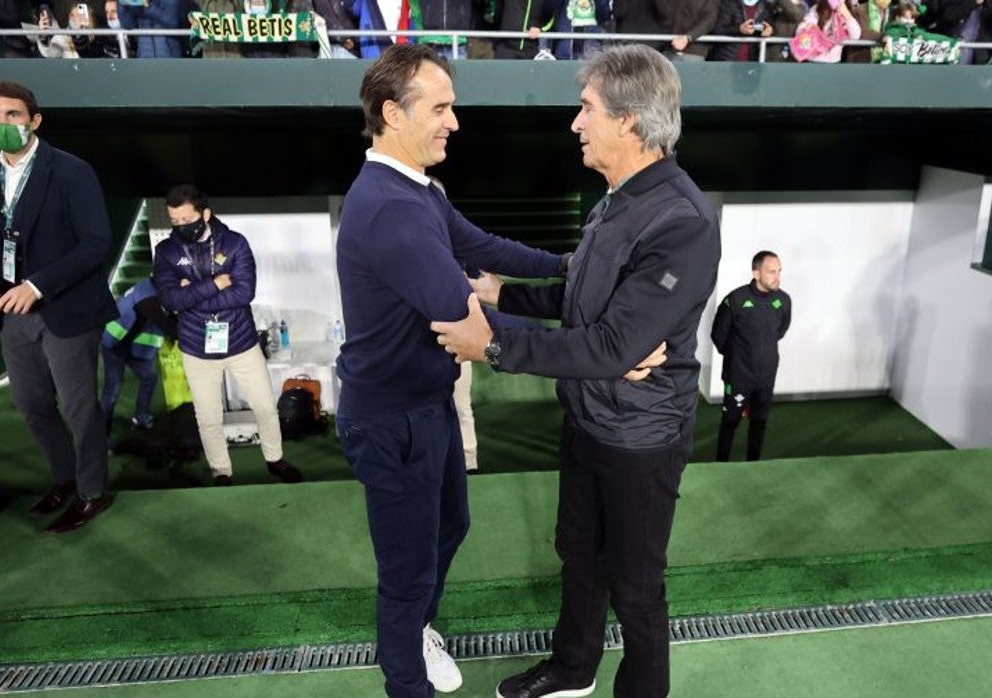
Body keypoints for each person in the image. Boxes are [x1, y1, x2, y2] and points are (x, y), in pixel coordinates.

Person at [430, 44, 721, 698]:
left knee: (636, 587)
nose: (575, 122)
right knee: (578, 558)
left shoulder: (682, 221)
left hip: (642, 440)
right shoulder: (617, 199)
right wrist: (504, 295)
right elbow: (583, 297)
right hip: (591, 419)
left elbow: (612, 342)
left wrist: (495, 347)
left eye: (586, 108)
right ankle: (572, 669)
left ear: (630, 122)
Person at [334, 44, 567, 698]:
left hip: (426, 402)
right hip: (391, 420)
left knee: (452, 526)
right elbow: (470, 322)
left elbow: (482, 247)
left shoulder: (419, 188)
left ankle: (416, 632)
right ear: (392, 113)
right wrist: (591, 348)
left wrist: (565, 266)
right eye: (440, 108)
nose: (453, 122)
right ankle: (407, 681)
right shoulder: (391, 211)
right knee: (405, 575)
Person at [0, 80, 118, 534]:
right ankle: (64, 478)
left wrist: (37, 285)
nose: (2, 123)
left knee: (79, 408)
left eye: (12, 115)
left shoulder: (72, 171)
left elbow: (96, 243)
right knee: (31, 404)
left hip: (66, 311)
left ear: (34, 120)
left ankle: (93, 491)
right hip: (14, 313)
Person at [151, 185, 303, 487]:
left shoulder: (234, 244)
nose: (180, 226)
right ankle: (221, 471)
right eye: (174, 221)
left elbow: (244, 293)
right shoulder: (166, 251)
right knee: (208, 418)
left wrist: (191, 294)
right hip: (196, 347)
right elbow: (169, 300)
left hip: (241, 343)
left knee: (264, 407)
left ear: (205, 214)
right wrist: (215, 284)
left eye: (186, 219)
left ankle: (275, 460)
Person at [710, 251, 791, 462]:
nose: (777, 276)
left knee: (760, 421)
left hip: (766, 376)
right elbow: (718, 336)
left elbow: (780, 331)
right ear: (756, 273)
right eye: (771, 271)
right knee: (730, 421)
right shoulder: (735, 300)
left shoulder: (783, 301)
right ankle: (721, 463)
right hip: (738, 376)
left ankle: (753, 462)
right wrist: (738, 357)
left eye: (779, 271)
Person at [100, 276, 178, 435]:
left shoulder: (158, 289)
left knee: (149, 376)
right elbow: (170, 327)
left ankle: (141, 418)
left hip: (133, 346)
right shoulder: (148, 298)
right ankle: (100, 436)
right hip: (115, 344)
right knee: (112, 391)